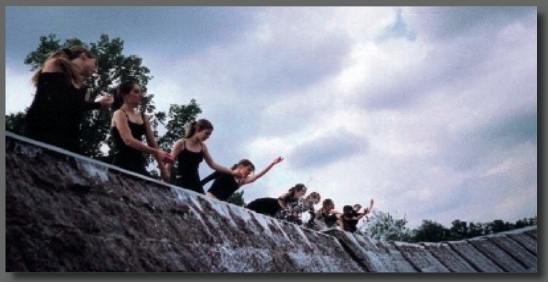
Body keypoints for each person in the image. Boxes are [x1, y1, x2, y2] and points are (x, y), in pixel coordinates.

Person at [24, 45, 113, 154]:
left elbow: (75, 114)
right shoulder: (55, 64)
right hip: (41, 131)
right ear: (84, 56)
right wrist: (98, 104)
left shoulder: (84, 90)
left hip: (65, 139)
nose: (95, 69)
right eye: (95, 64)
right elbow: (59, 102)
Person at [110, 80, 173, 180]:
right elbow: (128, 140)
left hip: (139, 163)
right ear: (124, 95)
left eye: (140, 92)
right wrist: (156, 152)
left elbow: (152, 143)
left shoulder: (143, 116)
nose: (140, 95)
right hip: (122, 163)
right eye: (136, 91)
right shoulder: (119, 113)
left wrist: (162, 168)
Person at [167, 119, 240, 194]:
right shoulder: (182, 143)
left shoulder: (202, 147)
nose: (208, 137)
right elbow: (169, 161)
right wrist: (164, 177)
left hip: (196, 183)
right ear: (198, 130)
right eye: (206, 133)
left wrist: (231, 172)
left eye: (209, 135)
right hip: (182, 181)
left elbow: (212, 164)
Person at [202, 156, 284, 202]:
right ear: (241, 166)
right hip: (209, 196)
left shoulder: (242, 181)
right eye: (248, 169)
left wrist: (272, 163)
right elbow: (207, 179)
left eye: (251, 171)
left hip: (220, 202)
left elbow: (259, 174)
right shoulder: (226, 171)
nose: (249, 172)